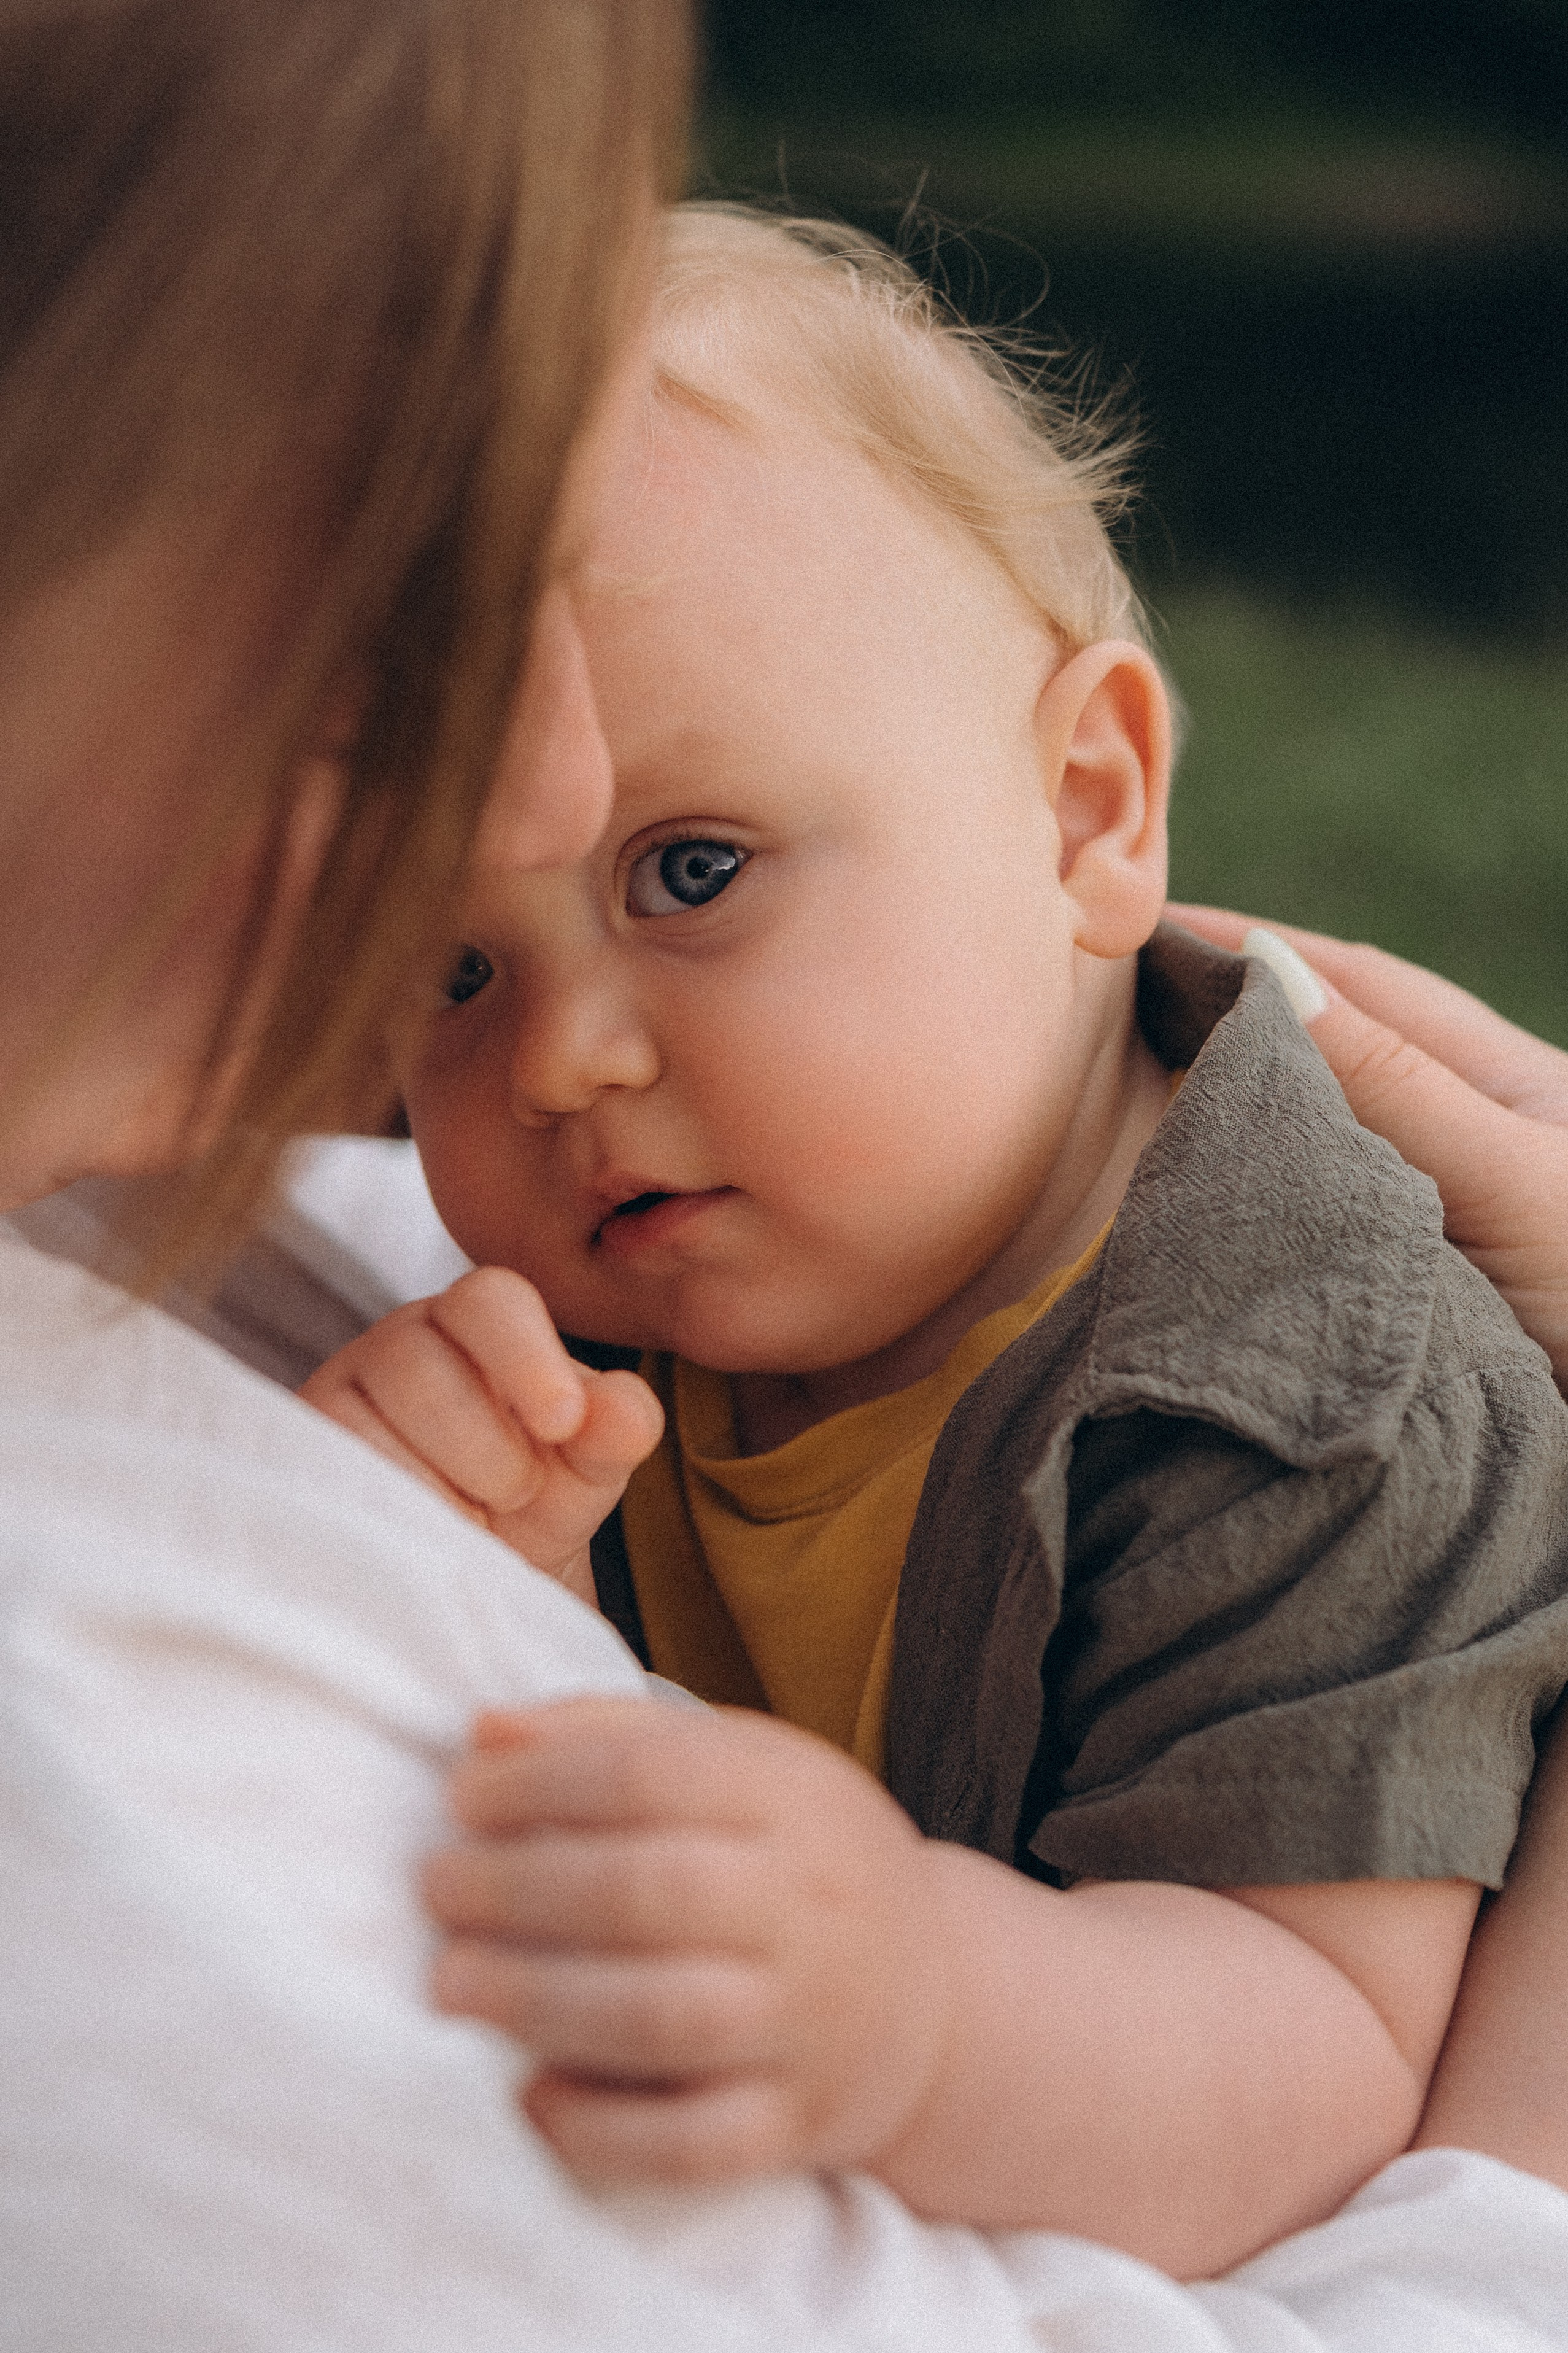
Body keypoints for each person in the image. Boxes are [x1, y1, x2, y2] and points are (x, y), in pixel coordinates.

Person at [2, 10, 1567, 2338]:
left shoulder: (1290, 1383)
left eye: (696, 865)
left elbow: (1324, 2049)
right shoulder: (664, 1291)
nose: (560, 1056)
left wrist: (921, 2008)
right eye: (442, 961)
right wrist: (523, 1582)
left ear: (1089, 813)